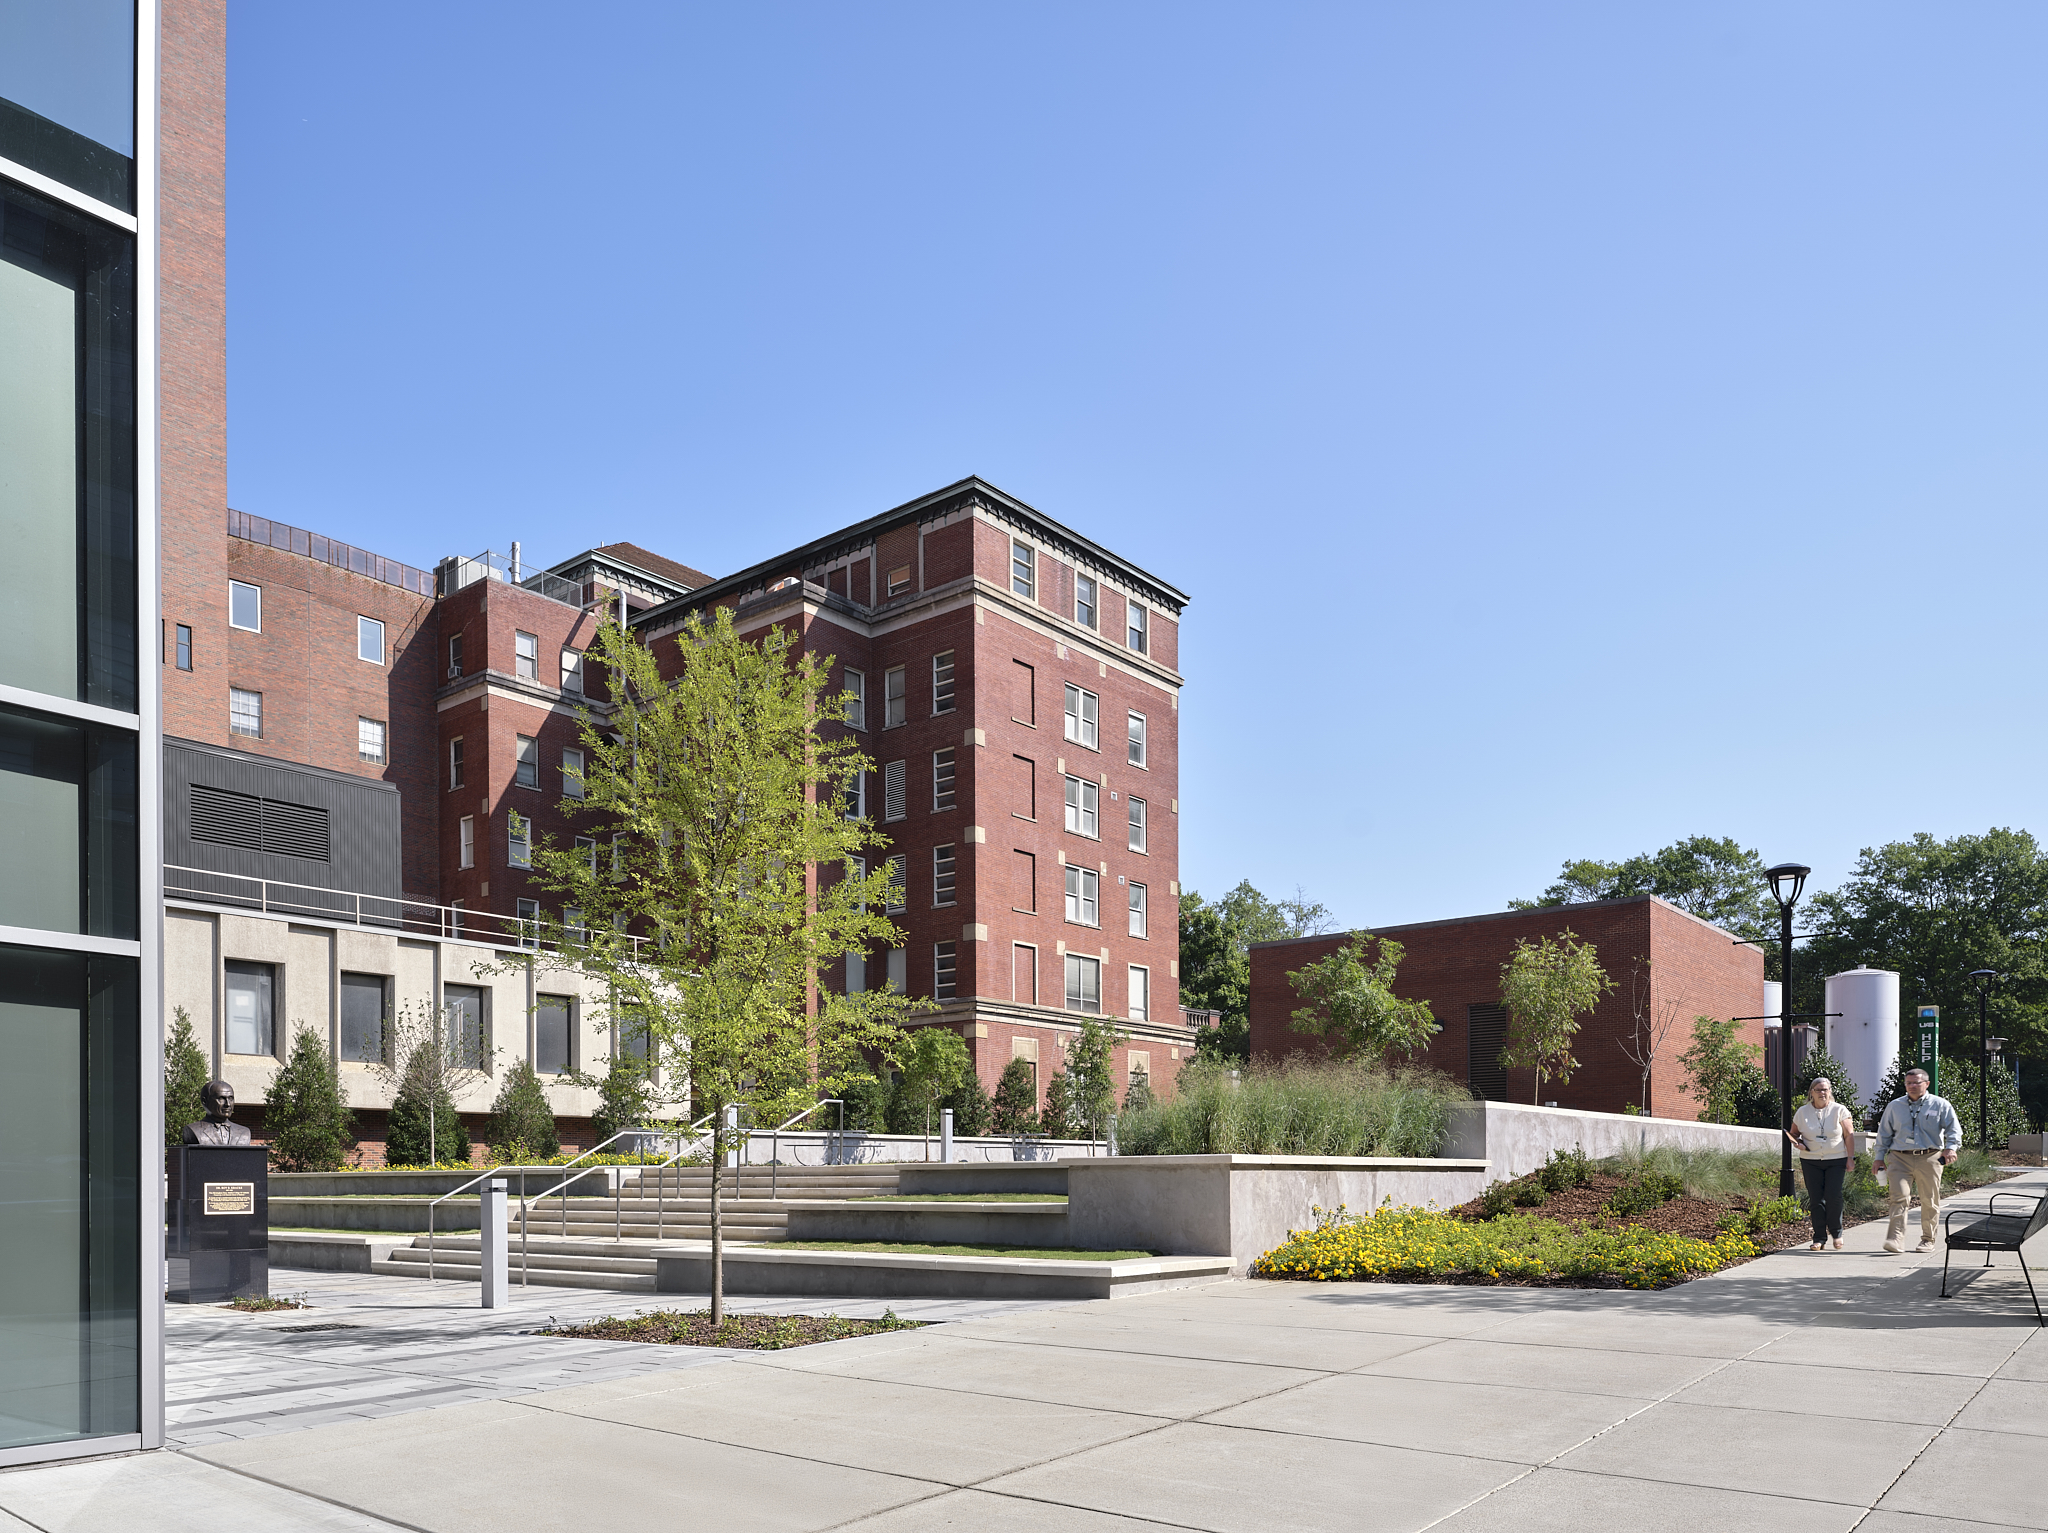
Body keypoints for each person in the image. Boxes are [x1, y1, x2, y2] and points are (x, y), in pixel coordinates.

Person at [1873, 1067, 1960, 1255]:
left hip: (1930, 1157)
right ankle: (1895, 1239)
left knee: (1929, 1200)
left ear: (1926, 1084)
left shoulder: (1940, 1105)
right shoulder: (1894, 1106)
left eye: (1916, 1083)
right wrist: (1879, 1158)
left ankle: (1928, 1240)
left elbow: (1953, 1129)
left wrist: (1951, 1147)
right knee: (1899, 1198)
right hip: (1899, 1157)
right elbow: (1884, 1134)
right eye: (1908, 1083)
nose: (1912, 1086)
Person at [1787, 1076, 1855, 1250]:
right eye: (1818, 1090)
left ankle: (1837, 1232)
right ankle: (1819, 1238)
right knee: (1816, 1199)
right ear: (1812, 1093)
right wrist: (1797, 1143)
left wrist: (1850, 1158)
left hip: (1836, 1159)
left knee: (1833, 1196)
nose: (1822, 1093)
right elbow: (1793, 1134)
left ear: (1830, 1091)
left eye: (1825, 1089)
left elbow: (1849, 1135)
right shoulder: (1802, 1112)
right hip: (1811, 1160)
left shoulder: (1839, 1110)